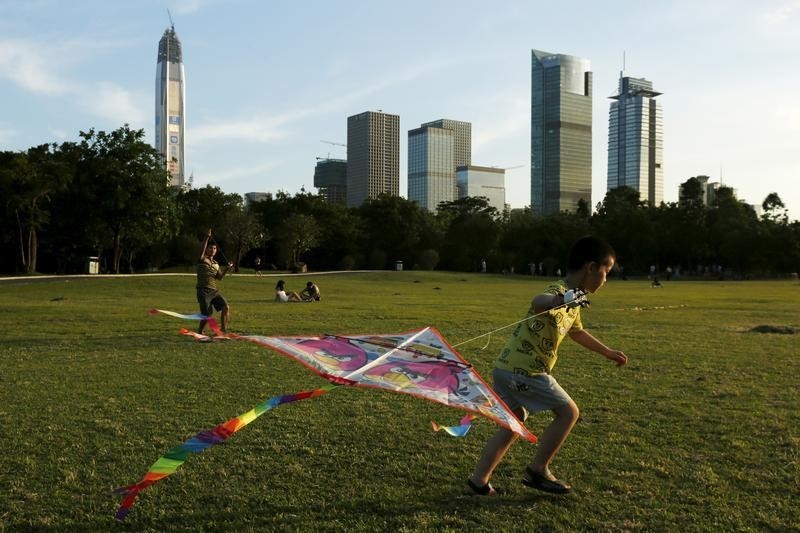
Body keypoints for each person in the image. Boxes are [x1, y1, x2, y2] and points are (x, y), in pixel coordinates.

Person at [466, 236, 628, 496]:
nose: (606, 279)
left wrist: (607, 352)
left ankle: (479, 481)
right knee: (569, 413)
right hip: (526, 370)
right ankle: (538, 469)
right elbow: (538, 301)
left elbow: (577, 333)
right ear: (590, 268)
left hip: (505, 367)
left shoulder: (575, 300)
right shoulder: (560, 290)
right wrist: (558, 301)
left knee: (514, 420)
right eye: (606, 272)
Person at [196, 229, 233, 334]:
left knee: (226, 307)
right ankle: (200, 331)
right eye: (210, 248)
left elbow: (220, 277)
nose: (213, 249)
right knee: (207, 314)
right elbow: (201, 250)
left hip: (214, 291)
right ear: (207, 250)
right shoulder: (202, 259)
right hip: (203, 291)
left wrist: (226, 268)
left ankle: (223, 329)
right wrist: (207, 237)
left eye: (215, 248)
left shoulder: (216, 264)